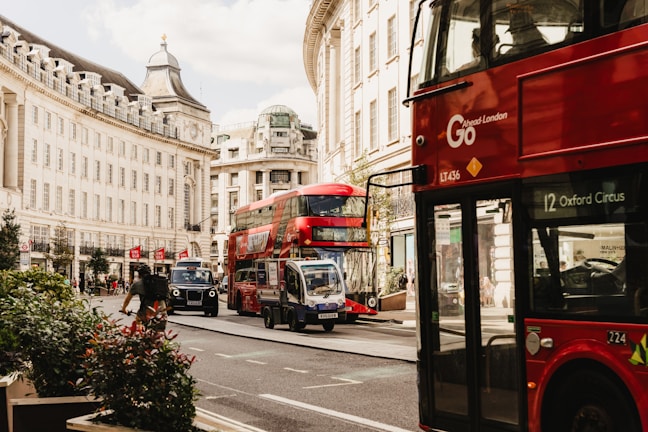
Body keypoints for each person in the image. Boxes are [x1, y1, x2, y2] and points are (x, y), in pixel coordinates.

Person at [120, 264, 167, 330]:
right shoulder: (160, 282)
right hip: (162, 313)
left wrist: (124, 309)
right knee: (159, 335)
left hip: (146, 314)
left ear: (139, 274)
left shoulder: (137, 284)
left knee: (139, 325)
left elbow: (127, 300)